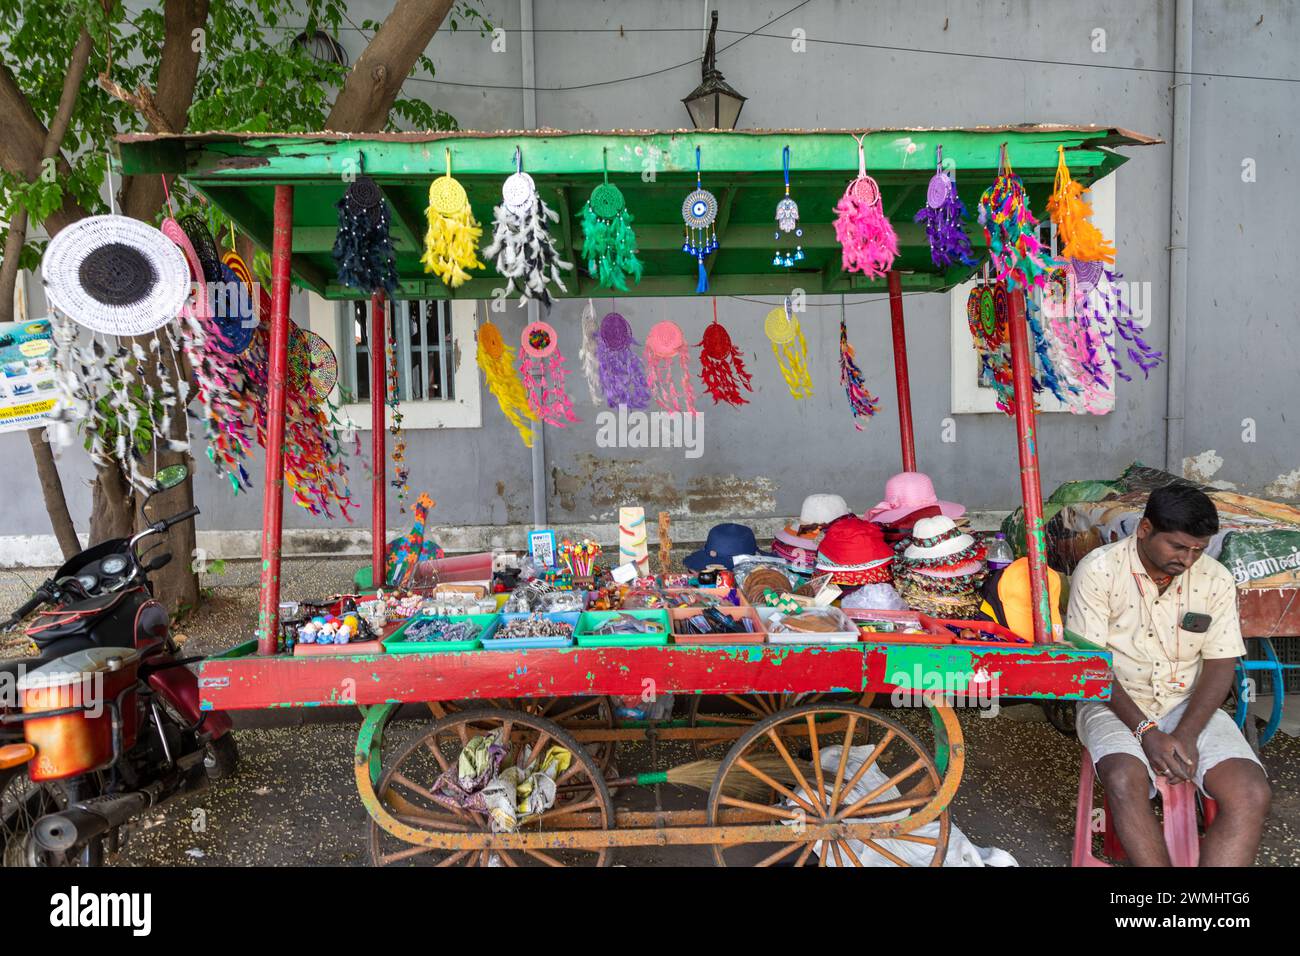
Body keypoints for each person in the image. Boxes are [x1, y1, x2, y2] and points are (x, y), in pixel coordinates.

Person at [1066, 484, 1271, 866]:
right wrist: (1147, 733)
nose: (1189, 558)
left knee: (1251, 792)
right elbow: (1092, 668)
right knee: (1124, 779)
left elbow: (1220, 663)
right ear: (1144, 529)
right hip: (1112, 701)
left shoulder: (1215, 579)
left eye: (1198, 549)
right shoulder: (1098, 571)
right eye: (1178, 547)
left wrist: (1187, 733)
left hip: (1187, 703)